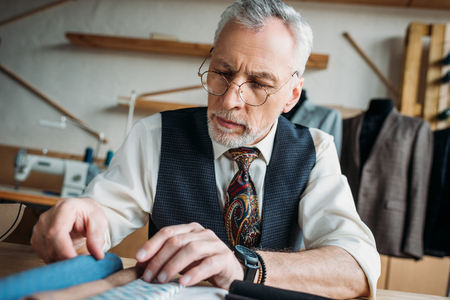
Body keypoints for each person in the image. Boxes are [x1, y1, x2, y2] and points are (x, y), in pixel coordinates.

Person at [31, 0, 380, 299]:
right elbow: (98, 222)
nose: (229, 100)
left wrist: (245, 266)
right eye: (222, 73)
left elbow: (358, 267)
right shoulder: (154, 136)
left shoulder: (315, 151)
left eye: (258, 84)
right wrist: (77, 225)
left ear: (292, 95)